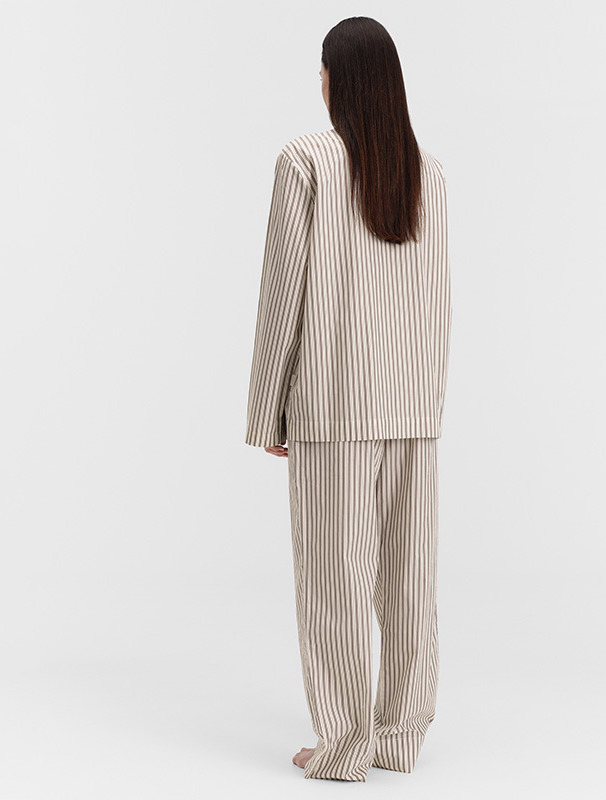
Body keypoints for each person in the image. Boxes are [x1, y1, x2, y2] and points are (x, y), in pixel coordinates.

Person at [245, 16, 452, 782]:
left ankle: (342, 746)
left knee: (334, 582)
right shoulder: (428, 173)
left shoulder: (306, 160)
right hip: (413, 404)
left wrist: (268, 410)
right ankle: (397, 737)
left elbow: (283, 296)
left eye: (322, 70)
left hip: (334, 403)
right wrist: (429, 398)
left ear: (337, 80)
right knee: (408, 583)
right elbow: (437, 297)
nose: (319, 82)